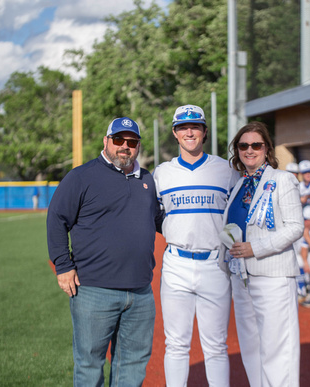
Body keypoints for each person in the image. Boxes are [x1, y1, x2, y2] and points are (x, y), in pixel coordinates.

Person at [47, 117, 163, 386]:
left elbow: (159, 220)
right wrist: (63, 266)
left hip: (140, 292)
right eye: (119, 140)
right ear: (106, 141)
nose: (125, 146)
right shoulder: (81, 176)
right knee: (89, 366)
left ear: (137, 146)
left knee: (133, 365)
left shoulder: (147, 179)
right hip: (94, 291)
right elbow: (56, 219)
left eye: (131, 142)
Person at [153, 105, 240, 387]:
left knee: (215, 345)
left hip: (215, 264)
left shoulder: (226, 170)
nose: (189, 131)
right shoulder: (162, 173)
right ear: (175, 134)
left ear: (204, 132)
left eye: (195, 126)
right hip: (176, 262)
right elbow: (155, 216)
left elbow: (238, 217)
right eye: (182, 127)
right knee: (176, 344)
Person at [220, 121, 303, 387]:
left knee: (278, 350)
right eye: (243, 145)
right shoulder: (239, 184)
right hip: (242, 277)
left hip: (273, 276)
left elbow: (295, 227)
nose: (250, 150)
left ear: (267, 149)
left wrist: (256, 248)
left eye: (256, 145)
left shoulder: (283, 179)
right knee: (251, 348)